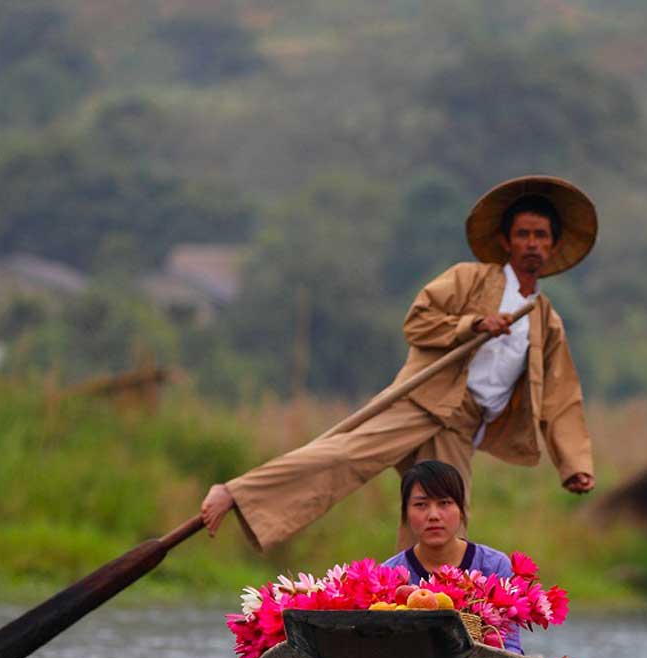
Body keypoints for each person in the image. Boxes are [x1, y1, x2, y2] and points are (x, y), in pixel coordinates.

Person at [198, 175, 597, 552]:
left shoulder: (546, 322)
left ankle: (414, 602)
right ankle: (236, 492)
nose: (531, 243)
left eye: (540, 236)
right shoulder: (469, 279)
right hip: (422, 400)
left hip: (461, 424)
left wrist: (574, 465)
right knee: (345, 456)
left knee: (442, 514)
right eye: (523, 234)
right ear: (506, 241)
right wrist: (472, 324)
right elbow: (417, 322)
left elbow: (561, 400)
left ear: (553, 245)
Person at [382, 460, 523, 653]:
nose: (433, 515)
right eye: (421, 504)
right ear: (405, 512)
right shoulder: (388, 574)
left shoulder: (495, 566)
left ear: (462, 509)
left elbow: (510, 645)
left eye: (445, 503)